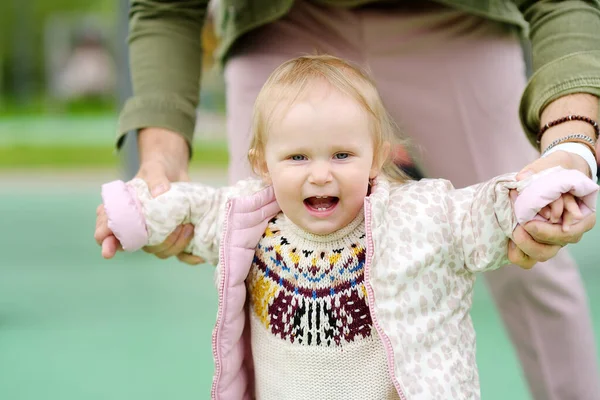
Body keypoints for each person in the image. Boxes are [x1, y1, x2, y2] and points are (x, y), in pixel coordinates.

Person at [95, 1, 600, 398]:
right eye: (296, 161)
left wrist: (564, 154)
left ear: (378, 156)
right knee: (254, 242)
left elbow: (480, 213)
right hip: (280, 17)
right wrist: (149, 201)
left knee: (537, 262)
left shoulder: (421, 217)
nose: (319, 176)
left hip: (452, 19)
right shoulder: (245, 209)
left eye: (341, 156)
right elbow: (200, 210)